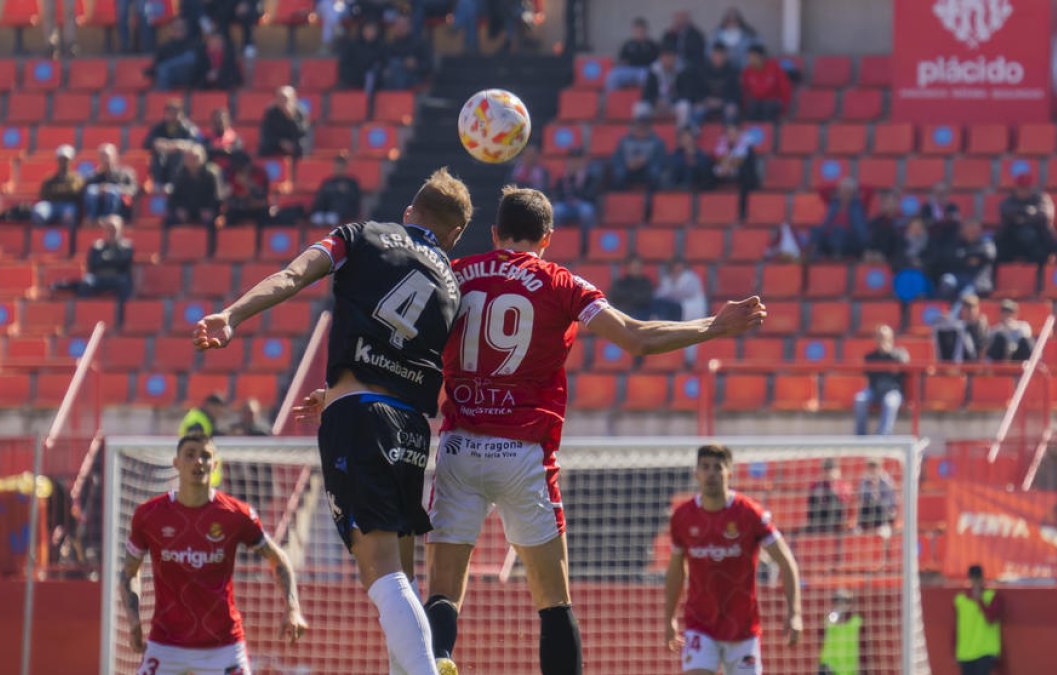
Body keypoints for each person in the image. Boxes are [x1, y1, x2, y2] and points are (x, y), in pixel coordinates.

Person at [291, 187, 765, 675]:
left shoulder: (455, 276)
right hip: (524, 455)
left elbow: (403, 342)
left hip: (460, 448)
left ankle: (439, 660)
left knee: (442, 593)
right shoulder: (562, 283)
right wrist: (713, 326)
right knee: (553, 599)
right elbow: (638, 338)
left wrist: (338, 391)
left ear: (495, 233)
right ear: (548, 238)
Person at [195, 168, 474, 675]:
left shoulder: (359, 234)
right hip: (411, 427)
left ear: (410, 211)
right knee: (403, 575)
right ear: (454, 234)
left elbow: (292, 276)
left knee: (380, 569)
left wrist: (232, 315)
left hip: (359, 418)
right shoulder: (452, 283)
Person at [120, 433, 307, 673]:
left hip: (223, 645)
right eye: (190, 455)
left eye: (205, 456)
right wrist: (134, 622)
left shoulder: (235, 514)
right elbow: (129, 572)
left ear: (215, 464)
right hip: (166, 644)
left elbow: (277, 558)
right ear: (176, 462)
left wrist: (293, 608)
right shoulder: (149, 515)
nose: (198, 461)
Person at [663, 444, 803, 675]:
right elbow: (676, 571)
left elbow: (786, 560)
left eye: (718, 468)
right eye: (705, 467)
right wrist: (669, 618)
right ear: (696, 473)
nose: (711, 474)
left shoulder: (750, 513)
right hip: (700, 624)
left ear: (730, 472)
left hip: (743, 629)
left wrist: (795, 613)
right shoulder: (683, 517)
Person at [854, 325, 908, 436]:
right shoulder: (870, 357)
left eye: (884, 337)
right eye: (879, 337)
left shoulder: (899, 354)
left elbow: (906, 361)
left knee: (890, 403)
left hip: (893, 391)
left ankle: (883, 438)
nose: (882, 340)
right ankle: (860, 437)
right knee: (860, 399)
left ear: (891, 339)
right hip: (874, 390)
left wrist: (888, 352)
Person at [953, 564, 1002, 675]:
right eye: (973, 578)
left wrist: (979, 600)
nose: (975, 582)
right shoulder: (961, 599)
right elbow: (956, 627)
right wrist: (954, 649)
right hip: (966, 651)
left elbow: (991, 619)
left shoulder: (992, 597)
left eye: (978, 578)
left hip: (985, 651)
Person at [996, 174, 1055, 264]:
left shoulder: (1041, 198)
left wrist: (1023, 218)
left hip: (1039, 240)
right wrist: (1028, 212)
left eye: (1026, 188)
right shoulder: (1010, 200)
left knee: (1029, 235)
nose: (1023, 191)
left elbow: (1044, 214)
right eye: (1021, 188)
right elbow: (1005, 210)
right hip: (1014, 239)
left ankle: (1038, 271)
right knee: (997, 244)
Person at [165, 144, 224, 235]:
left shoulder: (212, 174)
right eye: (189, 157)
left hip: (206, 209)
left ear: (203, 158)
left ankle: (210, 248)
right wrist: (179, 209)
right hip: (187, 209)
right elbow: (174, 198)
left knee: (214, 223)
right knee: (168, 222)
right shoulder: (180, 174)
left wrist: (210, 209)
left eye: (195, 157)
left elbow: (218, 197)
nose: (192, 160)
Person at [933, 219, 995, 300]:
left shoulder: (986, 242)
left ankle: (952, 313)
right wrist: (970, 257)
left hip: (977, 281)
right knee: (946, 281)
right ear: (962, 231)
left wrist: (965, 255)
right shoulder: (957, 242)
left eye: (974, 230)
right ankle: (938, 308)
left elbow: (989, 254)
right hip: (958, 277)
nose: (971, 233)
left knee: (965, 295)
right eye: (968, 230)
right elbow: (951, 257)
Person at [810, 178, 872, 260]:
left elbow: (870, 190)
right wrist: (838, 184)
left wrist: (855, 185)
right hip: (830, 238)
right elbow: (821, 189)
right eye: (842, 190)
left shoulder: (860, 204)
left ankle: (836, 256)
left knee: (839, 230)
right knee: (816, 229)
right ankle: (815, 254)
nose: (845, 193)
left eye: (848, 191)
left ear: (853, 193)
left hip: (852, 241)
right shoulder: (833, 203)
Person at [145, 99, 201, 187]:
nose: (173, 116)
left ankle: (174, 184)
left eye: (176, 113)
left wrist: (180, 145)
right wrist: (158, 143)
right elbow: (147, 142)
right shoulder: (159, 128)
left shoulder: (189, 128)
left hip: (182, 163)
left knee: (177, 155)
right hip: (163, 160)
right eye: (170, 113)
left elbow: (197, 143)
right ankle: (158, 184)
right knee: (157, 156)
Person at [686, 43, 740, 127]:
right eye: (715, 55)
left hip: (725, 103)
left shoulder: (732, 72)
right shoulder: (702, 71)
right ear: (711, 56)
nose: (718, 58)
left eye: (720, 55)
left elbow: (736, 95)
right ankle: (693, 134)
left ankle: (729, 136)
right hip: (706, 103)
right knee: (697, 110)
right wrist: (705, 100)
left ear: (725, 56)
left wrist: (722, 101)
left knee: (731, 109)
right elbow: (696, 92)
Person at [711, 123, 759, 219]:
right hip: (724, 173)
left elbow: (748, 167)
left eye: (733, 133)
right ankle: (712, 209)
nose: (731, 136)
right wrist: (722, 168)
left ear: (739, 133)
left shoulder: (747, 147)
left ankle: (742, 211)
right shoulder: (721, 145)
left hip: (743, 175)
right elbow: (718, 161)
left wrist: (732, 167)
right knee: (708, 173)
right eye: (729, 134)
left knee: (746, 178)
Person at [32, 145, 85, 229]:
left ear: (71, 161)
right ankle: (40, 239)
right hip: (51, 205)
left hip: (68, 205)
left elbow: (75, 192)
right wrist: (65, 192)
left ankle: (68, 239)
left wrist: (57, 192)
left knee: (69, 215)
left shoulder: (77, 178)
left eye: (66, 160)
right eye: (61, 160)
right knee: (39, 212)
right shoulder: (49, 178)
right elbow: (44, 194)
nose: (63, 163)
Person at [83, 144, 138, 224]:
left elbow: (134, 189)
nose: (105, 160)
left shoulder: (126, 173)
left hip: (120, 207)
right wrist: (100, 190)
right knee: (92, 190)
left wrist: (116, 189)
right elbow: (85, 190)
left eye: (107, 156)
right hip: (99, 206)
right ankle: (92, 220)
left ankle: (108, 220)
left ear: (115, 157)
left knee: (112, 191)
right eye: (102, 157)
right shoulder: (93, 176)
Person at [611, 114, 668, 190]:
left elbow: (661, 161)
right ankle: (621, 198)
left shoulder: (658, 143)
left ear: (648, 129)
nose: (640, 131)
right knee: (619, 174)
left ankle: (650, 200)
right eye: (638, 128)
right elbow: (616, 159)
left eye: (643, 129)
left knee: (655, 174)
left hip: (648, 169)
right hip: (628, 168)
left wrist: (646, 162)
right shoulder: (623, 142)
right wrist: (628, 164)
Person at [551, 149, 600, 237]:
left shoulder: (590, 178)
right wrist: (570, 180)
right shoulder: (563, 178)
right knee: (556, 211)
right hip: (565, 205)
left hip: (582, 205)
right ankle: (557, 239)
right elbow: (557, 195)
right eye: (573, 160)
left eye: (578, 160)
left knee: (587, 212)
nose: (575, 163)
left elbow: (590, 196)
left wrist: (577, 180)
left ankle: (586, 241)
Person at [605, 17, 659, 92]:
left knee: (647, 77)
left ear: (645, 30)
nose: (639, 33)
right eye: (637, 30)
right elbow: (622, 59)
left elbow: (655, 61)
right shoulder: (628, 44)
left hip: (644, 70)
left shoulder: (652, 45)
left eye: (641, 30)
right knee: (613, 76)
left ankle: (645, 100)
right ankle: (613, 100)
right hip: (629, 69)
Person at [818, 589, 864, 675]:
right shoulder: (829, 620)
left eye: (845, 601)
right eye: (837, 600)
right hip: (829, 667)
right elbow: (826, 624)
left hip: (849, 669)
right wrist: (837, 612)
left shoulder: (857, 621)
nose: (841, 604)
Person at [740, 45, 791, 122]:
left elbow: (785, 88)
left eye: (753, 57)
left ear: (761, 57)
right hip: (756, 103)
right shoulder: (747, 72)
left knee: (767, 107)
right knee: (752, 107)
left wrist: (784, 108)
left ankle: (768, 131)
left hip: (772, 101)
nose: (750, 60)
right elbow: (745, 91)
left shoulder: (774, 68)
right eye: (749, 57)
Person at [146, 19, 200, 90]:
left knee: (190, 57)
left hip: (190, 76)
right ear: (172, 30)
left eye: (181, 28)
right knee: (163, 70)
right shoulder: (165, 47)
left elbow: (200, 64)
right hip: (171, 78)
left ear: (186, 29)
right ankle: (162, 96)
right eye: (176, 28)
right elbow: (156, 65)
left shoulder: (194, 44)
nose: (179, 30)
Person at [310, 155, 362, 227]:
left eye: (340, 168)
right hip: (326, 212)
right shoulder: (328, 182)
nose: (338, 170)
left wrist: (345, 192)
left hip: (343, 214)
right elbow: (320, 199)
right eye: (336, 168)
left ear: (345, 168)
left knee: (332, 219)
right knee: (317, 218)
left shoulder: (352, 183)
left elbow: (355, 201)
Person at [224, 151, 272, 228]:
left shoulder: (260, 173)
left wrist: (248, 184)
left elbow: (262, 195)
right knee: (230, 215)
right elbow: (228, 197)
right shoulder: (230, 174)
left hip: (257, 207)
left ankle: (263, 237)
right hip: (239, 207)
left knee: (265, 215)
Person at [936, 293, 989, 363]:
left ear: (978, 309)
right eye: (967, 307)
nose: (971, 310)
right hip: (957, 366)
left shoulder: (982, 327)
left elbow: (983, 351)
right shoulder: (954, 328)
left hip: (976, 367)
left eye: (974, 307)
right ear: (962, 309)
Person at [383, 15, 432, 90]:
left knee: (397, 68)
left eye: (403, 25)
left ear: (410, 27)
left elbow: (429, 66)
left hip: (414, 76)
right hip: (393, 77)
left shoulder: (420, 44)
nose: (400, 28)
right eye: (397, 25)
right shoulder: (390, 45)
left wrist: (415, 65)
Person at [258, 86, 308, 158]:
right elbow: (267, 133)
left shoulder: (300, 112)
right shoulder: (271, 112)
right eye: (279, 98)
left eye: (285, 98)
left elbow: (302, 133)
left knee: (301, 148)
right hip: (278, 142)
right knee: (264, 147)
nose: (282, 101)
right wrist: (280, 142)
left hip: (294, 141)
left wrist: (291, 117)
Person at [339, 21, 387, 93]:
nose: (369, 32)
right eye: (367, 30)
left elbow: (384, 64)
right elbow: (344, 65)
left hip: (375, 80)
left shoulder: (381, 46)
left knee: (371, 76)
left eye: (372, 30)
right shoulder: (352, 46)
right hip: (355, 78)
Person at [806, 458, 851, 534]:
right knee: (815, 497)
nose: (828, 473)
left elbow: (845, 503)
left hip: (837, 516)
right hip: (821, 515)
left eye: (831, 470)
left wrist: (833, 487)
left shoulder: (844, 485)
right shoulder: (816, 485)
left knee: (832, 496)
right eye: (826, 470)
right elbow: (811, 502)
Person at [640, 48, 686, 120]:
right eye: (665, 57)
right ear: (661, 58)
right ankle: (645, 131)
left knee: (684, 106)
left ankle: (682, 130)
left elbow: (684, 93)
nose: (668, 60)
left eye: (671, 57)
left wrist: (671, 102)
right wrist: (655, 102)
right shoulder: (653, 71)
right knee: (641, 108)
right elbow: (646, 94)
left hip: (673, 104)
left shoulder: (681, 71)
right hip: (656, 105)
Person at [856, 458, 897, 533]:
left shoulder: (886, 481)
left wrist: (876, 490)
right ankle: (860, 527)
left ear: (880, 468)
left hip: (884, 510)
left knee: (880, 506)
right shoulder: (864, 482)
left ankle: (884, 526)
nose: (873, 469)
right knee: (865, 507)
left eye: (875, 467)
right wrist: (871, 487)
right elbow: (862, 497)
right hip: (870, 508)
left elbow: (889, 501)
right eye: (870, 467)